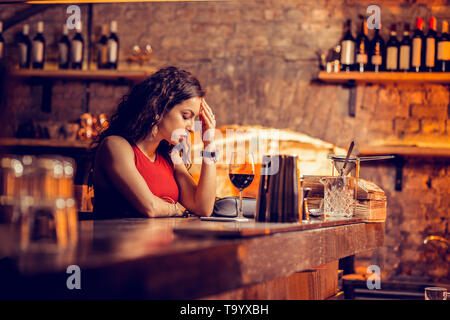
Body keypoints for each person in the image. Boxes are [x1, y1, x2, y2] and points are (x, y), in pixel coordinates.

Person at [92, 66, 216, 218]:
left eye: (194, 118)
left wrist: (209, 144)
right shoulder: (115, 146)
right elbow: (150, 207)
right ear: (159, 108)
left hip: (163, 240)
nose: (191, 127)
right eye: (186, 116)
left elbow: (203, 208)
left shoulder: (171, 157)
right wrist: (178, 209)